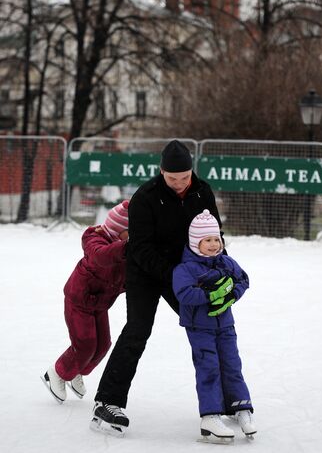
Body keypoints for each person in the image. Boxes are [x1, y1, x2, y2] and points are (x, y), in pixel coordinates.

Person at [91, 139, 223, 436]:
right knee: (137, 330)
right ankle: (107, 402)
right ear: (161, 171)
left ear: (192, 171)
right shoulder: (145, 197)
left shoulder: (203, 191)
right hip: (146, 272)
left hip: (186, 272)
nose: (178, 184)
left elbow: (213, 232)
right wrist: (175, 274)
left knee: (207, 325)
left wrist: (218, 266)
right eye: (172, 178)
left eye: (184, 177)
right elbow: (140, 248)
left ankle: (221, 400)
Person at [172, 209, 256, 443]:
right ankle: (210, 415)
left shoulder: (226, 262)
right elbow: (184, 294)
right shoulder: (185, 269)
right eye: (207, 240)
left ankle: (241, 407)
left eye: (216, 239)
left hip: (226, 325)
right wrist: (211, 294)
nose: (213, 244)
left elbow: (243, 279)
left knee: (232, 364)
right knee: (208, 367)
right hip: (200, 328)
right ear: (196, 242)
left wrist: (231, 296)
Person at [42, 200, 129, 403]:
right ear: (118, 231)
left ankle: (77, 370)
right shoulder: (95, 239)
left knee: (103, 345)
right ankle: (57, 372)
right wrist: (127, 248)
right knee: (85, 345)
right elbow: (102, 257)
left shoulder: (126, 250)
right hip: (79, 300)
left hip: (100, 304)